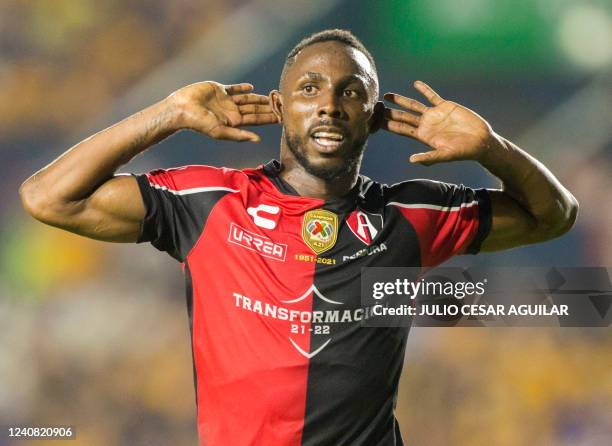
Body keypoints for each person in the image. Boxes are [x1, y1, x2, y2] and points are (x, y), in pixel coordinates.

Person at [19, 29, 578, 446]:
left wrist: (492, 148)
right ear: (282, 108)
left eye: (350, 92)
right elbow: (47, 197)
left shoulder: (411, 213)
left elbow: (553, 215)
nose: (329, 104)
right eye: (310, 89)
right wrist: (168, 113)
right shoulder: (211, 201)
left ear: (372, 115)